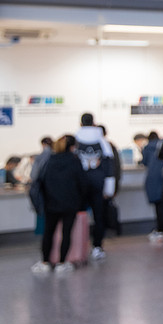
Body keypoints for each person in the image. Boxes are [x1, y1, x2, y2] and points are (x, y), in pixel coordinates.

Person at [32, 135, 87, 274]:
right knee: (66, 233)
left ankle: (45, 262)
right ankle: (62, 262)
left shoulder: (49, 160)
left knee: (48, 233)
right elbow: (82, 183)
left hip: (51, 204)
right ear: (72, 147)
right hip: (70, 204)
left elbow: (40, 181)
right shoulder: (75, 161)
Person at [75, 112, 116, 260]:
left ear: (80, 123)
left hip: (79, 185)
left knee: (78, 216)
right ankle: (97, 246)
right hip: (99, 184)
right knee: (99, 216)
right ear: (94, 123)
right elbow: (110, 166)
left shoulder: (75, 140)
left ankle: (77, 245)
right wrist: (109, 188)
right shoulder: (102, 142)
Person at [139, 131, 163, 241]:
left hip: (152, 179)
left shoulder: (147, 148)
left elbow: (144, 162)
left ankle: (160, 228)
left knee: (157, 205)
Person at [29, 137, 55, 235]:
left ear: (43, 144)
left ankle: (43, 234)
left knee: (41, 213)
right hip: (54, 191)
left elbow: (33, 175)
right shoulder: (56, 156)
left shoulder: (39, 157)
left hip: (41, 189)